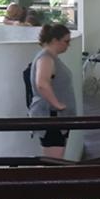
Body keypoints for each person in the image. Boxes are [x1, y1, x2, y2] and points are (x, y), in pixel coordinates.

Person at [28, 24, 75, 158]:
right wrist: (57, 105)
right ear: (55, 40)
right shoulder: (46, 58)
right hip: (52, 115)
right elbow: (42, 83)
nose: (68, 45)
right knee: (53, 161)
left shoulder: (49, 58)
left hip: (55, 116)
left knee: (53, 160)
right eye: (66, 41)